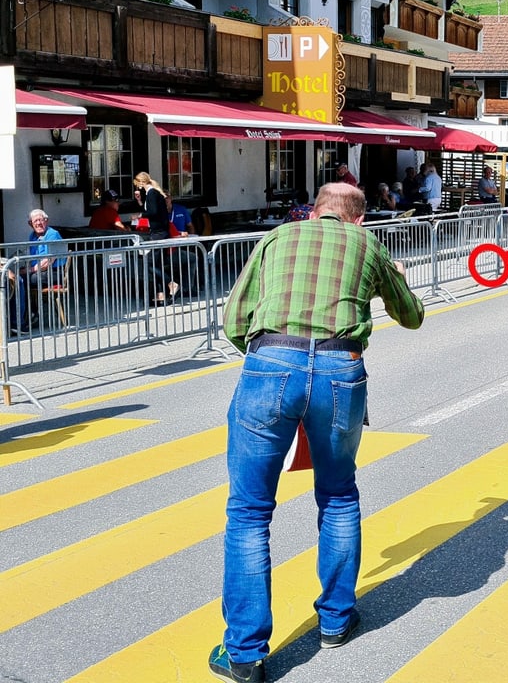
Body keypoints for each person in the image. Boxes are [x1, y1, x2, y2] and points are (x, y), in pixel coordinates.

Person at [210, 182, 424, 683]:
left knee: (248, 511)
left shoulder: (278, 238)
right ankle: (335, 621)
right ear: (358, 219)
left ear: (314, 212)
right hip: (339, 371)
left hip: (270, 363)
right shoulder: (368, 244)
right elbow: (410, 316)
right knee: (337, 495)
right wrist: (389, 276)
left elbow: (234, 320)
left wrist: (269, 356)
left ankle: (244, 654)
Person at [8, 209, 67, 333]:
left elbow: (47, 263)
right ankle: (28, 314)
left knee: (21, 280)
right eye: (35, 221)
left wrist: (27, 271)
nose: (39, 223)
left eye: (41, 220)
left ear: (47, 221)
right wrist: (25, 269)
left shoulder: (52, 234)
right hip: (39, 272)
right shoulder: (33, 236)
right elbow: (31, 258)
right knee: (20, 278)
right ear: (30, 224)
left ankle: (23, 319)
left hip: (54, 272)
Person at [133, 171, 178, 305]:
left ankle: (171, 283)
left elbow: (152, 212)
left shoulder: (152, 193)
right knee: (156, 263)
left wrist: (139, 216)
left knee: (150, 264)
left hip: (158, 232)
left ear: (141, 183)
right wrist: (140, 201)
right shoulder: (153, 194)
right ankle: (161, 294)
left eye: (137, 184)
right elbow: (152, 210)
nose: (137, 187)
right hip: (161, 231)